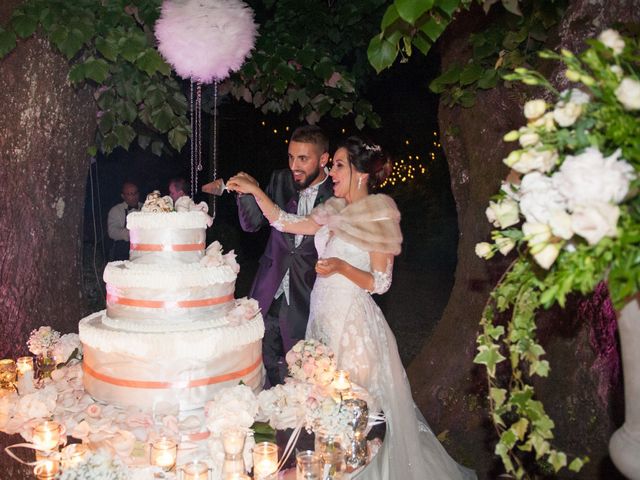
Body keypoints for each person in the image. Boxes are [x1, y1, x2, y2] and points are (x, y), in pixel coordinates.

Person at [227, 136, 475, 480]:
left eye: (339, 165)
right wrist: (256, 191)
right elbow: (285, 221)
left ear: (360, 173)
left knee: (354, 407)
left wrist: (342, 267)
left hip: (353, 324)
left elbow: (381, 281)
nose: (331, 173)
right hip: (322, 316)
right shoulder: (332, 210)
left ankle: (362, 468)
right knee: (323, 404)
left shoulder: (378, 214)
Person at [233, 125, 334, 387]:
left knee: (299, 372)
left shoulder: (337, 193)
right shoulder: (280, 179)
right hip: (268, 288)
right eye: (291, 157)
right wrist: (246, 194)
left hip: (307, 294)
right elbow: (252, 225)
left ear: (323, 159)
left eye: (303, 158)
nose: (294, 165)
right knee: (258, 367)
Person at [107, 181, 142, 261]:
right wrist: (133, 234)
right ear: (123, 196)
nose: (134, 196)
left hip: (142, 251)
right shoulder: (116, 210)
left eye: (135, 193)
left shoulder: (145, 208)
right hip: (123, 253)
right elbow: (112, 232)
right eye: (130, 194)